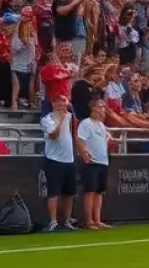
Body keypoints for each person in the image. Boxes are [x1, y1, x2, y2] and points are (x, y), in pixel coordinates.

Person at [40, 92, 77, 232]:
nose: (61, 104)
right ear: (53, 104)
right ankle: (53, 221)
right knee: (54, 192)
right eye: (58, 102)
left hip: (69, 159)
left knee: (69, 193)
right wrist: (61, 119)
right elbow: (54, 135)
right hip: (54, 160)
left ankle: (66, 220)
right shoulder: (47, 119)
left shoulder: (70, 116)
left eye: (63, 101)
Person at [77, 96, 114, 231]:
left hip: (102, 162)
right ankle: (89, 221)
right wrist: (85, 155)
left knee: (99, 191)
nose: (102, 109)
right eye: (99, 106)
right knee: (90, 191)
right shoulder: (86, 123)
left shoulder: (101, 125)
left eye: (103, 107)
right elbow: (80, 140)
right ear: (92, 108)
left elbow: (106, 140)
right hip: (92, 162)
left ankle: (98, 220)